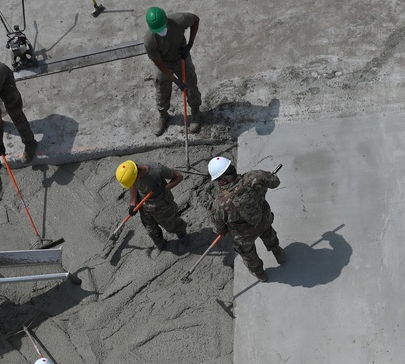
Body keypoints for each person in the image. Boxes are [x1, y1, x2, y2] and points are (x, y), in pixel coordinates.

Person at [208, 156, 285, 282]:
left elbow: (218, 228)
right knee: (270, 237)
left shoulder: (220, 203)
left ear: (222, 180)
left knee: (249, 256)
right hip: (264, 221)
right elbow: (275, 182)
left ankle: (261, 275)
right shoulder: (254, 176)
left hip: (244, 236)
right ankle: (279, 255)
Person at [143, 7, 202, 136]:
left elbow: (195, 20)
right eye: (157, 30)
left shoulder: (179, 20)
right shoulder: (149, 41)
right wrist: (175, 80)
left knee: (190, 84)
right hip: (164, 63)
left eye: (163, 27)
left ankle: (196, 111)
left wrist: (190, 44)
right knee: (161, 87)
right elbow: (159, 63)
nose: (161, 31)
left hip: (182, 57)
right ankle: (163, 115)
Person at [115, 160, 189, 253]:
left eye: (133, 180)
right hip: (144, 205)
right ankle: (160, 244)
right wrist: (133, 203)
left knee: (172, 225)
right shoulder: (131, 176)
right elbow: (132, 186)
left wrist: (164, 188)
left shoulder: (156, 170)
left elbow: (178, 177)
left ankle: (183, 238)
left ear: (137, 175)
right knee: (151, 230)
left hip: (162, 203)